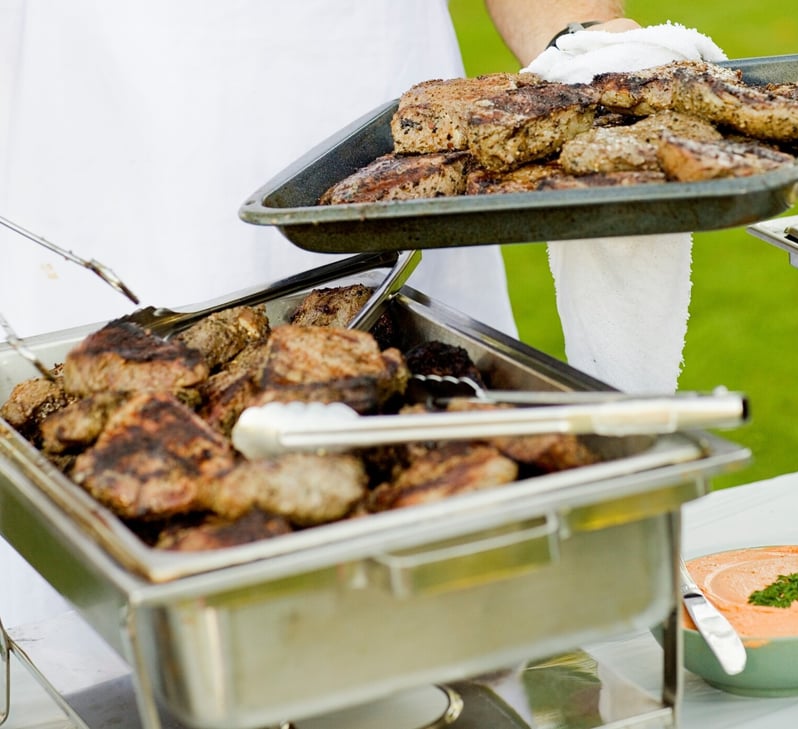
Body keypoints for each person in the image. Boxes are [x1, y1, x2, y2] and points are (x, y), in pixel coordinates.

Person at [0, 1, 635, 628]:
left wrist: (584, 42)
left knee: (449, 564)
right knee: (92, 602)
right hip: (93, 133)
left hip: (373, 138)